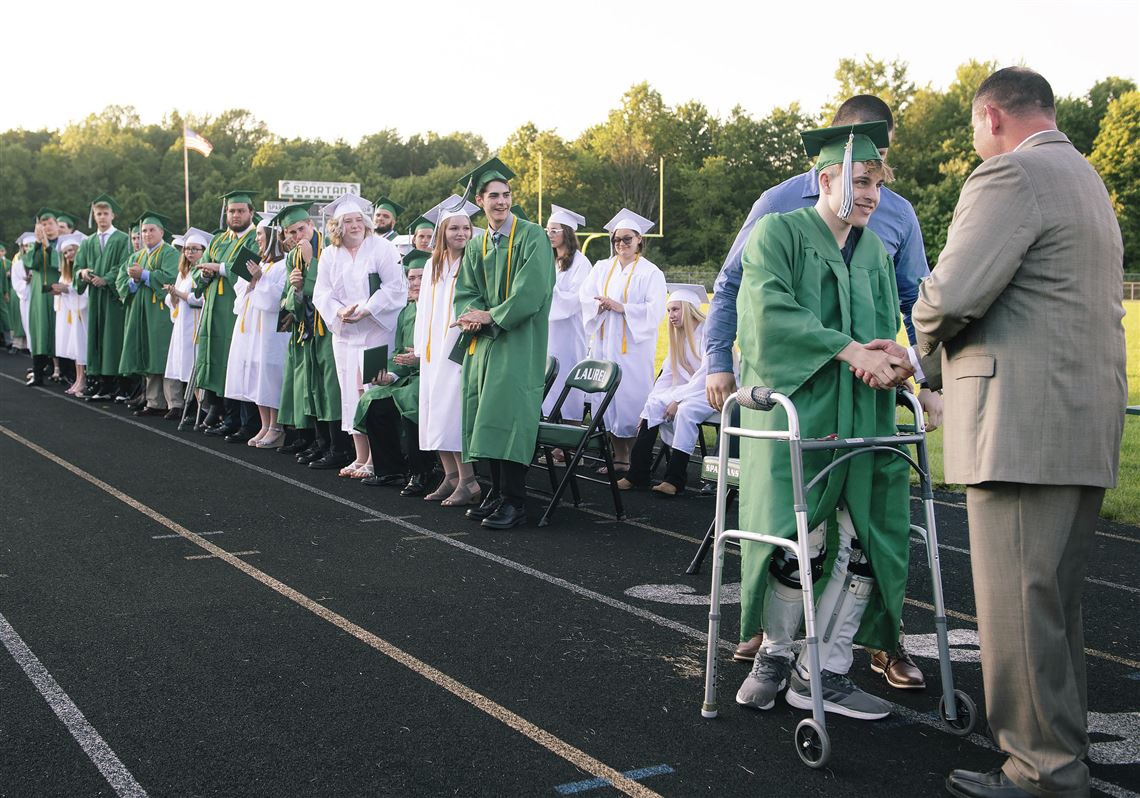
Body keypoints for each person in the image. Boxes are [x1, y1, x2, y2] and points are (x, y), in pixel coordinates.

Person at [908, 68, 1127, 798]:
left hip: (1019, 428)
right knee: (1055, 610)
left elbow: (952, 293)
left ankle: (1041, 771)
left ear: (992, 116)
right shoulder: (1088, 181)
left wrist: (916, 355)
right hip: (1076, 424)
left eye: (974, 130)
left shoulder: (1011, 177)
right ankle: (1062, 758)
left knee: (1018, 614)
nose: (975, 145)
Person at [707, 96, 932, 685]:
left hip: (865, 404)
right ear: (828, 164)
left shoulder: (889, 227)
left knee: (867, 531)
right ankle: (776, 646)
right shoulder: (778, 215)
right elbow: (747, 294)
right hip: (798, 400)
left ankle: (837, 660)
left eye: (877, 173)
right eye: (859, 175)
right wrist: (717, 360)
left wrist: (912, 367)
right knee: (797, 530)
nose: (870, 190)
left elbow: (911, 303)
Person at [452, 157, 555, 529]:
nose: (501, 201)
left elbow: (533, 290)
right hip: (484, 344)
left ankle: (515, 500)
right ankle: (495, 492)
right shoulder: (478, 244)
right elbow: (466, 291)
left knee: (509, 415)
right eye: (493, 195)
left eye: (506, 194)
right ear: (480, 201)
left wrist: (490, 316)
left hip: (517, 341)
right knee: (484, 416)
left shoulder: (532, 236)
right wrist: (471, 313)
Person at [313, 193, 408, 477]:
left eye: (358, 220)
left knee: (372, 390)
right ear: (337, 226)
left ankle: (376, 460)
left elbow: (395, 288)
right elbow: (322, 292)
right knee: (350, 394)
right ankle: (360, 456)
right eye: (347, 221)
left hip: (376, 330)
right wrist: (340, 312)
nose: (354, 225)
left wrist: (367, 310)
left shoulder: (382, 248)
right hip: (345, 333)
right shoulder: (330, 254)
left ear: (366, 222)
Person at [578, 208, 667, 473]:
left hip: (633, 347)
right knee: (608, 398)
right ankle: (617, 456)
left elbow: (656, 309)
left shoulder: (651, 273)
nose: (621, 244)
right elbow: (586, 296)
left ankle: (634, 457)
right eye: (617, 239)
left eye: (627, 239)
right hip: (606, 343)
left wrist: (623, 307)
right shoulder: (602, 268)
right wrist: (599, 306)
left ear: (640, 239)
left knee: (631, 398)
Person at [618, 285, 716, 496]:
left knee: (686, 411)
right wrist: (650, 404)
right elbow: (668, 375)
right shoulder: (679, 336)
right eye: (669, 310)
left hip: (711, 390)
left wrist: (678, 399)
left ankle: (675, 479)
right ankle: (637, 474)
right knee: (653, 405)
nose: (671, 315)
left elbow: (705, 374)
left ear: (690, 308)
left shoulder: (709, 332)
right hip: (689, 389)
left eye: (676, 309)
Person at [415, 195, 480, 505]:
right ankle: (451, 475)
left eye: (466, 228)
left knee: (453, 412)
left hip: (458, 348)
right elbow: (424, 309)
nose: (461, 234)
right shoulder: (432, 264)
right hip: (432, 349)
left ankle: (469, 480)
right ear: (442, 231)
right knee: (434, 411)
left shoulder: (474, 261)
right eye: (454, 228)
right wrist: (419, 348)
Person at [356, 248, 431, 491]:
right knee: (373, 400)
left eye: (422, 277)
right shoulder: (407, 312)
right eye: (412, 278)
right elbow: (399, 351)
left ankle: (422, 473)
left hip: (432, 377)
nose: (416, 283)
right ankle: (390, 470)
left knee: (409, 400)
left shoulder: (438, 310)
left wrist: (419, 360)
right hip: (409, 378)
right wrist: (389, 374)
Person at [193, 190, 258, 436]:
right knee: (216, 360)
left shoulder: (254, 238)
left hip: (235, 311)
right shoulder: (218, 240)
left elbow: (247, 269)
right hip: (213, 309)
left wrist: (218, 267)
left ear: (251, 212)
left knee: (236, 362)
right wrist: (204, 273)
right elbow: (202, 271)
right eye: (232, 211)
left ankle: (241, 420)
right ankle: (222, 412)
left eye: (241, 210)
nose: (236, 215)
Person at [223, 215, 291, 447]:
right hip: (253, 330)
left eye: (261, 235)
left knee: (271, 376)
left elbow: (277, 300)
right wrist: (252, 282)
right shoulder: (260, 263)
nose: (258, 240)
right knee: (256, 375)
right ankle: (264, 425)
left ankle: (277, 427)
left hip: (272, 331)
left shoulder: (284, 265)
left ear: (272, 236)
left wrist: (261, 280)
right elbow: (240, 299)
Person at [116, 211, 179, 417]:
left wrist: (144, 275)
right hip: (142, 312)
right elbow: (121, 284)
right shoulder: (136, 256)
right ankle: (154, 401)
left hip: (162, 312)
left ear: (162, 232)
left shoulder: (170, 253)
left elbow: (171, 277)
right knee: (149, 355)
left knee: (164, 354)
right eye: (144, 230)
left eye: (152, 230)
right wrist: (133, 281)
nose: (147, 234)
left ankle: (174, 403)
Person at [74, 194, 132, 402]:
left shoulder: (122, 239)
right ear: (94, 216)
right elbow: (77, 266)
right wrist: (82, 274)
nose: (102, 217)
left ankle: (117, 383)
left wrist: (106, 279)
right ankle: (100, 382)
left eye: (105, 213)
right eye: (98, 214)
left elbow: (124, 265)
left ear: (113, 215)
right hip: (95, 298)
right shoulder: (88, 242)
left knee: (113, 339)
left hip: (113, 298)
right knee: (97, 337)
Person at [543, 204, 591, 425]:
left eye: (555, 230)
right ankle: (552, 439)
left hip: (570, 334)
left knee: (568, 385)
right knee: (548, 384)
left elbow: (574, 301)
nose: (550, 234)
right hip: (549, 333)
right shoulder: (549, 260)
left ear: (567, 233)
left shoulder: (581, 264)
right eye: (547, 230)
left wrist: (548, 287)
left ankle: (569, 446)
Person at [164, 228, 210, 423]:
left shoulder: (203, 272)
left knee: (195, 367)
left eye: (195, 249)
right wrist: (173, 295)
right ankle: (193, 407)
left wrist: (179, 294)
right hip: (183, 323)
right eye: (187, 249)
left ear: (203, 251)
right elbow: (172, 301)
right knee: (185, 367)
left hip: (196, 323)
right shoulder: (184, 272)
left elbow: (200, 299)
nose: (190, 253)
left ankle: (203, 409)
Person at [25, 209, 63, 386]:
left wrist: (48, 245)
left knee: (60, 331)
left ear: (57, 225)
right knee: (40, 331)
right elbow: (30, 263)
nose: (46, 227)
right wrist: (40, 245)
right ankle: (38, 374)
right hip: (40, 295)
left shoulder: (63, 244)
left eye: (50, 223)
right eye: (43, 224)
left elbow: (59, 264)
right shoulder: (36, 245)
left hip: (59, 292)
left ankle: (63, 372)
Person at [52, 233, 89, 395]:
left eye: (71, 250)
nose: (69, 254)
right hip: (72, 313)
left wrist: (67, 290)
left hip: (83, 312)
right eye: (65, 252)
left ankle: (84, 380)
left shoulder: (83, 269)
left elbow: (84, 292)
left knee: (82, 345)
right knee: (76, 347)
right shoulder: (66, 272)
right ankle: (79, 378)